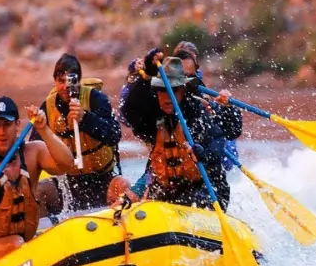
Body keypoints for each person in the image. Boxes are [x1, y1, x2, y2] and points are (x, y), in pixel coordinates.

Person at [0, 96, 76, 266]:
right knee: (17, 243)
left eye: (7, 124)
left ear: (17, 125)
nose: (2, 132)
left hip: (22, 246)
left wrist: (43, 129)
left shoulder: (34, 152)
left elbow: (67, 164)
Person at [121, 56, 231, 210]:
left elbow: (217, 142)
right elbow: (130, 111)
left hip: (202, 189)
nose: (167, 97)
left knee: (188, 199)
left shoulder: (196, 112)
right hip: (166, 190)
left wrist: (203, 153)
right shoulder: (152, 117)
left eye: (173, 91)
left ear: (183, 91)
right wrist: (145, 77)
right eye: (162, 91)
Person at [35, 53, 123, 211]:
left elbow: (114, 135)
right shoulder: (47, 108)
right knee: (37, 191)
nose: (65, 87)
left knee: (124, 187)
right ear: (55, 81)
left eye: (71, 81)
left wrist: (86, 118)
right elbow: (34, 149)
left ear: (79, 81)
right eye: (61, 81)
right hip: (68, 184)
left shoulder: (96, 99)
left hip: (103, 180)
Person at [171, 41, 242, 170]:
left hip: (204, 163)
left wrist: (227, 107)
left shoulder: (200, 93)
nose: (186, 77)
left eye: (192, 58)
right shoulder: (163, 95)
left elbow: (233, 130)